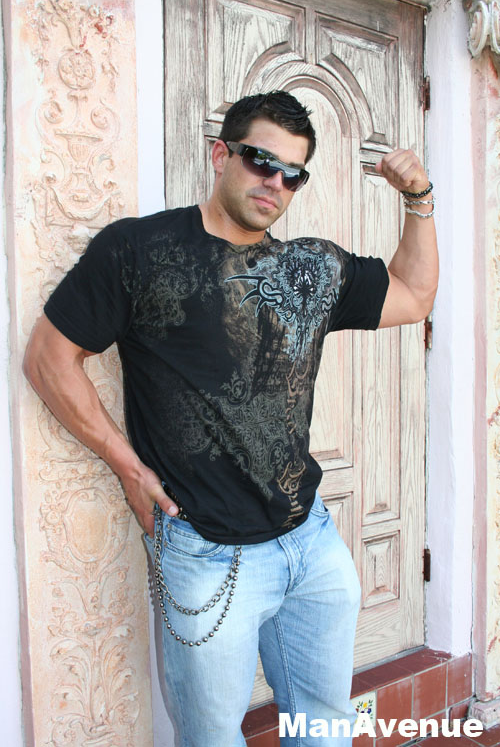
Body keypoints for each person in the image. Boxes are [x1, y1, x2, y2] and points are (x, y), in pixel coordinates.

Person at [23, 91, 438, 746]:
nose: (274, 182)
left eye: (292, 174)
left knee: (325, 727)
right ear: (221, 155)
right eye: (260, 161)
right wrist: (127, 466)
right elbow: (50, 357)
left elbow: (413, 296)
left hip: (310, 542)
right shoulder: (140, 250)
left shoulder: (311, 268)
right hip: (204, 550)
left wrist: (418, 199)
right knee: (213, 738)